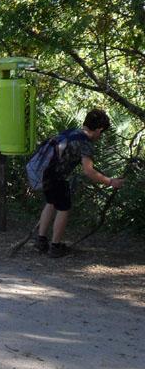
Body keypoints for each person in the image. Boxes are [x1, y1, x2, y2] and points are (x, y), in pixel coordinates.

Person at [35, 109, 124, 258]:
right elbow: (89, 171)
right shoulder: (85, 143)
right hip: (58, 177)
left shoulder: (72, 131)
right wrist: (111, 182)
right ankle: (55, 247)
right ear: (99, 129)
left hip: (45, 172)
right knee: (64, 208)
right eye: (102, 133)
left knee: (50, 203)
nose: (100, 136)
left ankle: (41, 241)